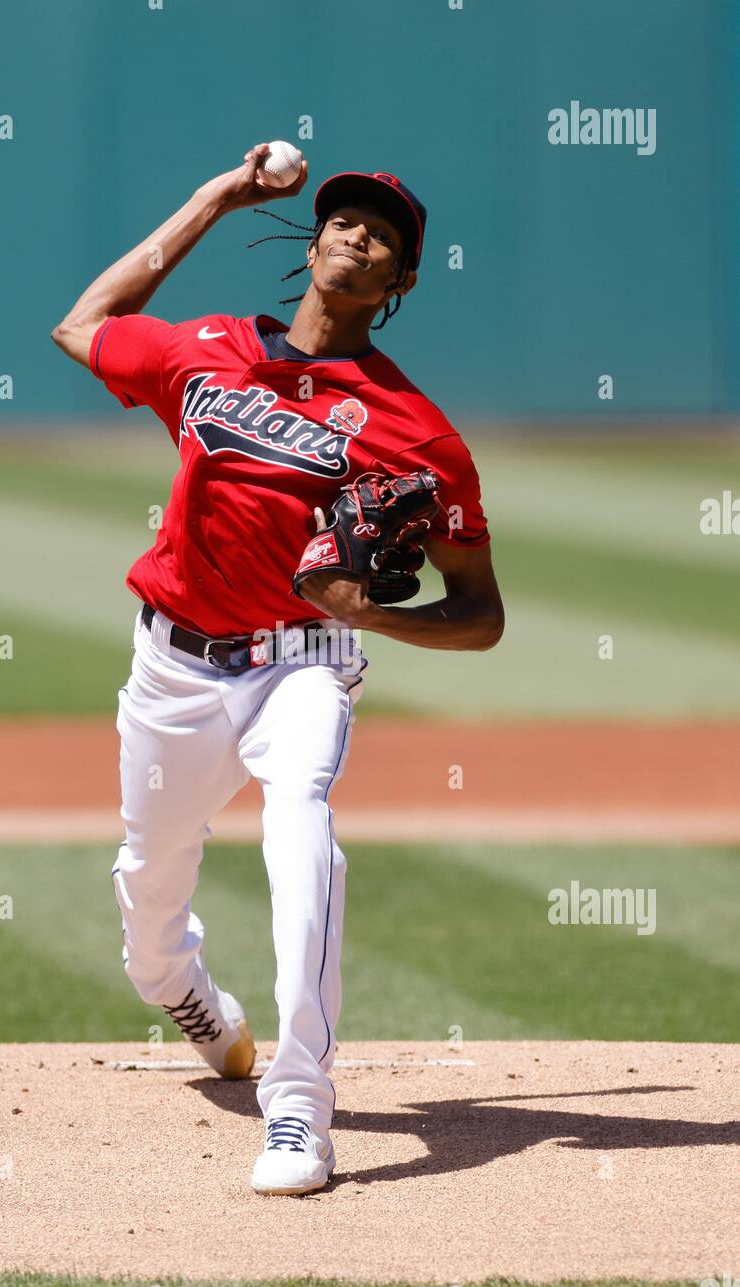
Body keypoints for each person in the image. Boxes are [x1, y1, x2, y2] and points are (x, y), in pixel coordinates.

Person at [50, 143, 504, 1196]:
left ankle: (298, 1107)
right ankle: (187, 989)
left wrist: (368, 619)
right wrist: (217, 192)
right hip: (169, 666)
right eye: (344, 220)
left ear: (398, 284)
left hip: (300, 667)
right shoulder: (204, 349)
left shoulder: (416, 434)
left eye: (382, 236)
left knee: (302, 830)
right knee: (147, 920)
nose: (357, 235)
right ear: (313, 241)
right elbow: (80, 325)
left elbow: (478, 615)